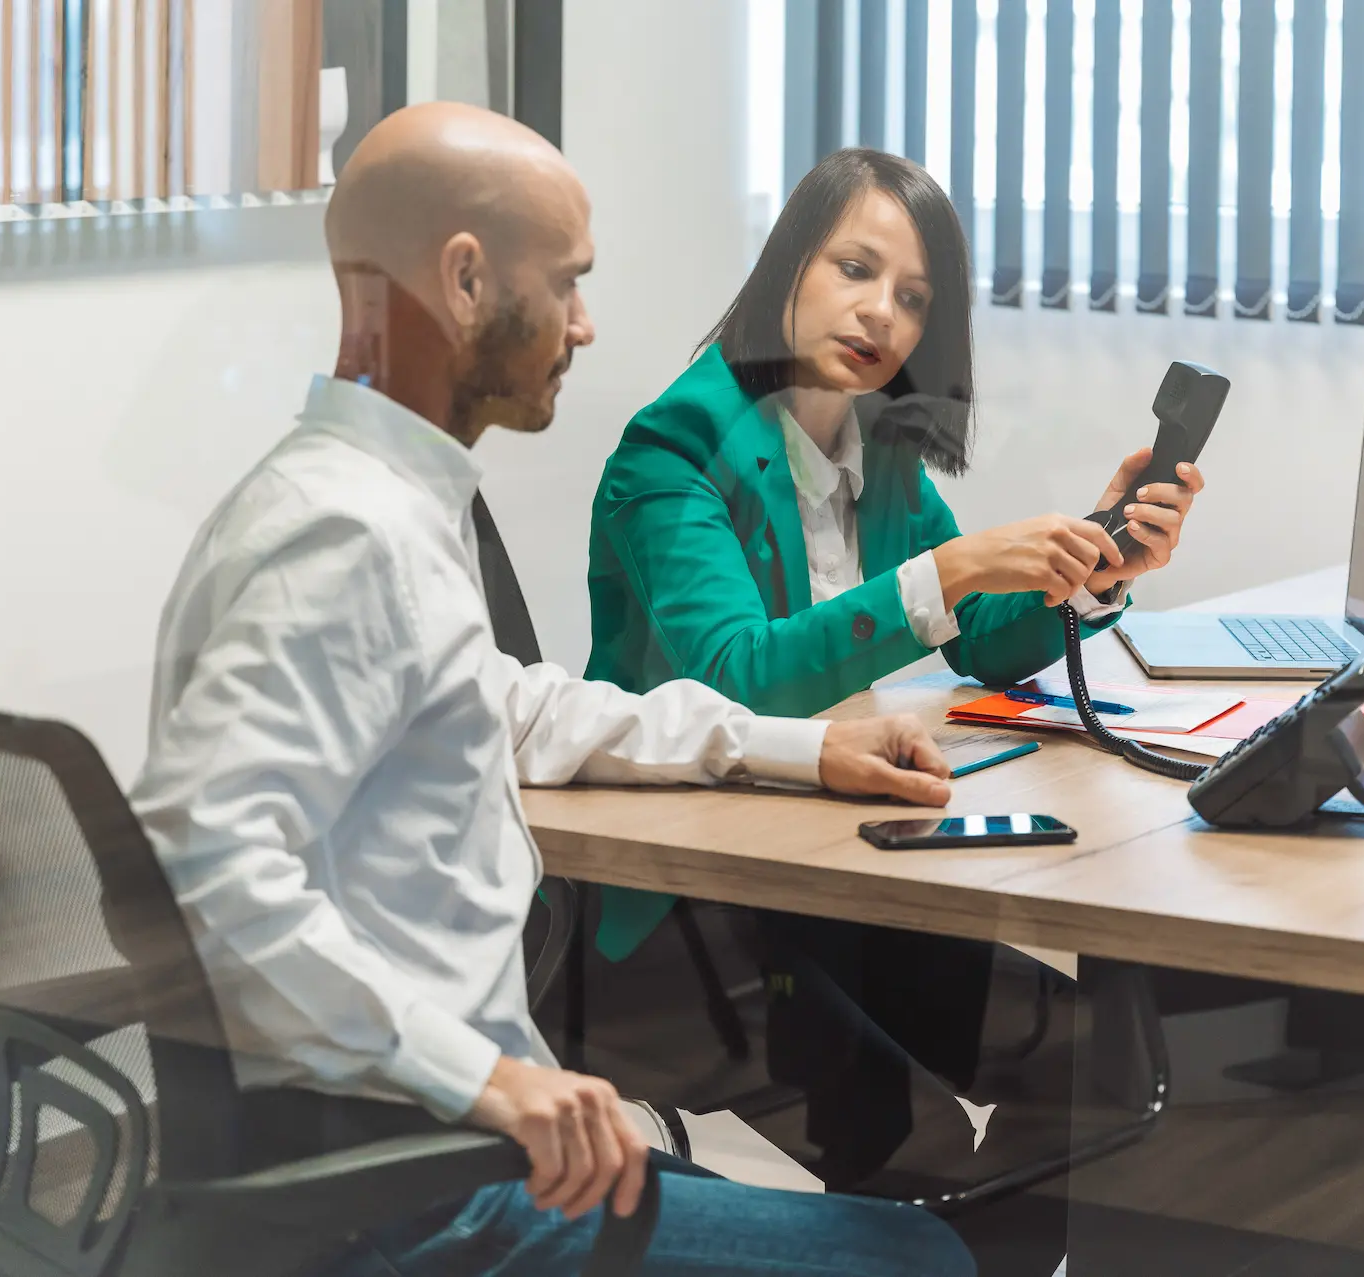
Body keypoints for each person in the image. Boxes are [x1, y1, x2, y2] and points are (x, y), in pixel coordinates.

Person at [129, 105, 976, 1277]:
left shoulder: (362, 499)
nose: (585, 323)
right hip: (422, 1190)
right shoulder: (347, 536)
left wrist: (797, 750)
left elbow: (520, 703)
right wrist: (491, 1080)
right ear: (468, 281)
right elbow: (202, 862)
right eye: (568, 282)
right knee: (924, 1258)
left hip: (438, 1147)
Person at [584, 148, 1206, 1186]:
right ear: (788, 270)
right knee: (924, 1155)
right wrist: (951, 566)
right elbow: (739, 677)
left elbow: (980, 640)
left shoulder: (878, 452)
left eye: (913, 297)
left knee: (1090, 1062)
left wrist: (1096, 568)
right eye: (853, 269)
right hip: (689, 907)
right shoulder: (671, 454)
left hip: (833, 864)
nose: (879, 313)